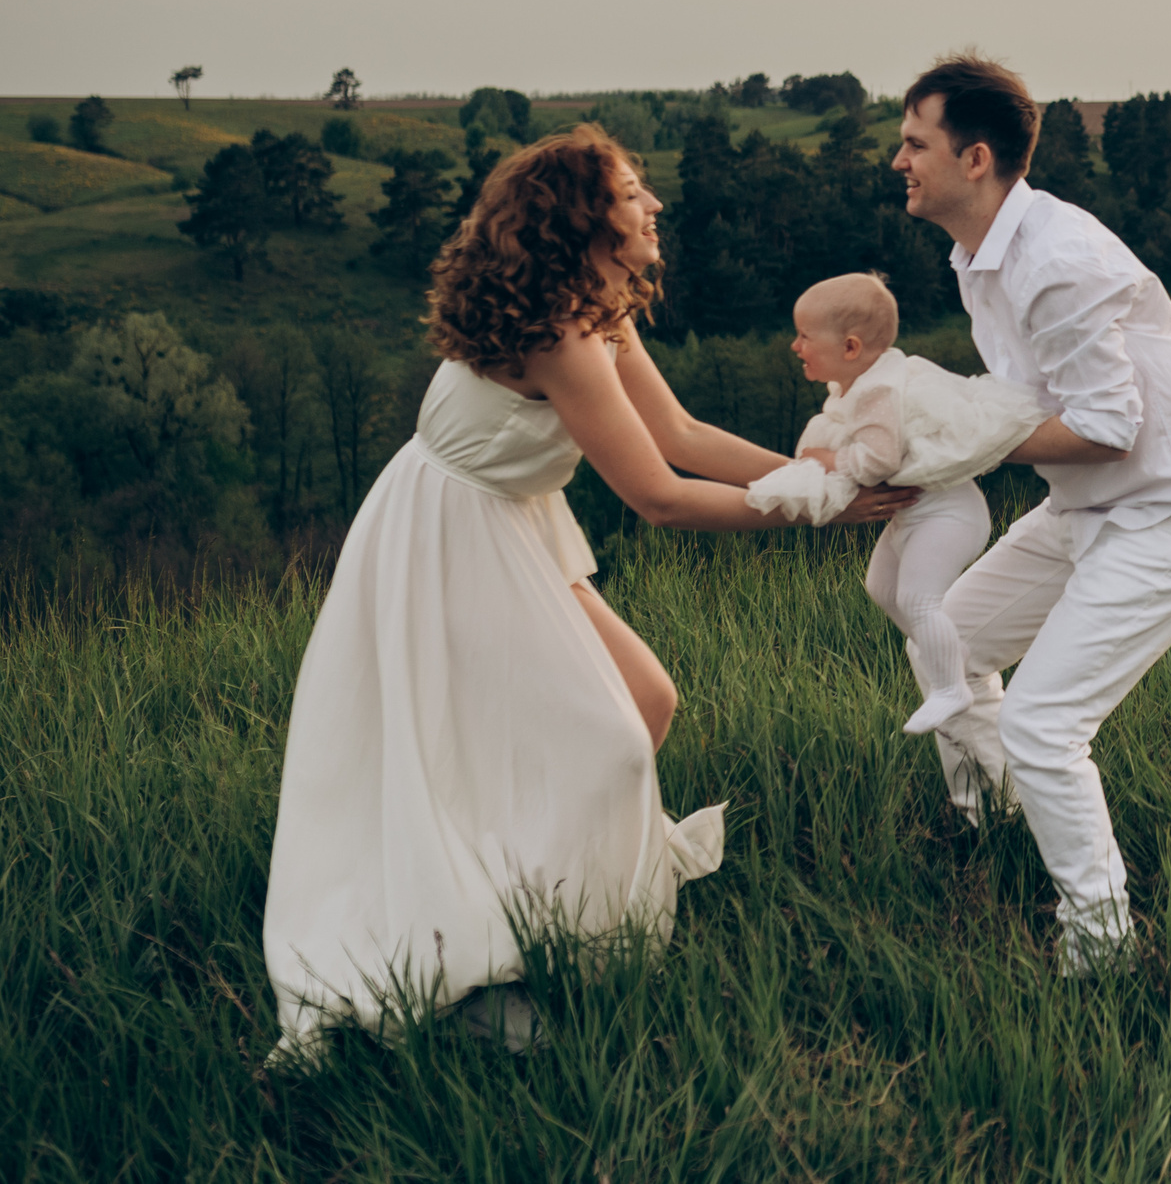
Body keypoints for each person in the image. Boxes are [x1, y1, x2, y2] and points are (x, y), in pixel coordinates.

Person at [263, 124, 911, 1061]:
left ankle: (526, 896)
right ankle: (478, 964)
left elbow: (682, 432)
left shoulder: (596, 306)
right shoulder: (558, 333)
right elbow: (658, 495)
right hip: (452, 536)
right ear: (583, 216)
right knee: (609, 736)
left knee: (644, 702)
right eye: (633, 190)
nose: (654, 204)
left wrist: (830, 479)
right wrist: (818, 515)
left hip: (511, 521)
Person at [892, 55, 1171, 974]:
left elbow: (1106, 426)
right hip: (1087, 508)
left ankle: (1100, 946)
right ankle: (997, 826)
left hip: (1169, 512)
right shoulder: (979, 255)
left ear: (974, 158)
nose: (897, 160)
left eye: (913, 142)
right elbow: (1031, 406)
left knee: (1046, 724)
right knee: (946, 638)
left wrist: (945, 448)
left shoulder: (1054, 258)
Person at [744, 272, 1049, 734]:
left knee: (917, 598)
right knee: (882, 589)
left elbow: (878, 461)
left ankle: (951, 686)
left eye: (804, 336)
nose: (794, 345)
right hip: (916, 516)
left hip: (948, 516)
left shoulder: (877, 391)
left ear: (850, 348)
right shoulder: (862, 384)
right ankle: (948, 651)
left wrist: (829, 460)